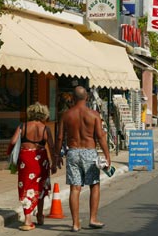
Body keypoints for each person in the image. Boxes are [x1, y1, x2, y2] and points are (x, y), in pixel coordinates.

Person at [52, 86, 111, 232]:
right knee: (94, 185)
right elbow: (100, 136)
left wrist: (56, 155)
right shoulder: (94, 114)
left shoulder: (66, 115)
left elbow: (59, 137)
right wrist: (107, 156)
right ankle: (92, 218)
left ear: (73, 97)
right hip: (89, 152)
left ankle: (75, 223)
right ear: (87, 98)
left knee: (75, 188)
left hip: (72, 152)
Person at [8, 102, 55, 231]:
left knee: (26, 187)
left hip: (25, 160)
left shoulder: (22, 126)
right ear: (43, 114)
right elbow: (51, 146)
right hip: (41, 160)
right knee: (40, 186)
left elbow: (13, 141)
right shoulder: (45, 129)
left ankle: (28, 219)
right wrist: (55, 163)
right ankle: (39, 215)